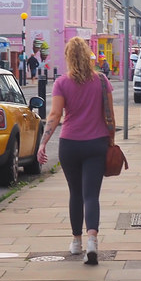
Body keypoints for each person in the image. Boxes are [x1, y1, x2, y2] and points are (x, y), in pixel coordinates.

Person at [37, 35, 115, 265]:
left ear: (69, 58)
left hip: (70, 143)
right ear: (89, 57)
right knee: (91, 195)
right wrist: (111, 141)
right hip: (96, 143)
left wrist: (43, 143)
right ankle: (92, 241)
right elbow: (110, 114)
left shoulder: (62, 83)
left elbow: (54, 115)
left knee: (75, 194)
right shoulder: (102, 81)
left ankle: (76, 242)